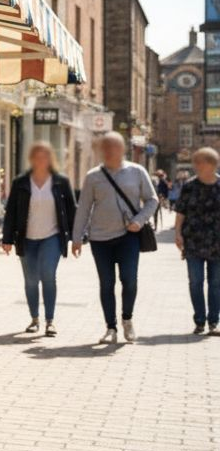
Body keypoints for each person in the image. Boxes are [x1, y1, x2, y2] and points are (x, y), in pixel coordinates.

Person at [72, 132, 159, 344]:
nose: (110, 151)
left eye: (114, 147)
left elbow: (152, 200)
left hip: (128, 236)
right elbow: (83, 208)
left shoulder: (137, 171)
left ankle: (127, 319)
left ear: (122, 149)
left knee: (129, 280)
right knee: (106, 283)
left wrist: (139, 220)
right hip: (99, 239)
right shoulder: (93, 176)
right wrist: (76, 238)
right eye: (106, 148)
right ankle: (110, 328)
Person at [0, 141, 78, 337]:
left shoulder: (60, 182)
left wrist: (78, 238)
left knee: (48, 275)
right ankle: (34, 319)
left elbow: (71, 211)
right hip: (26, 238)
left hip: (52, 237)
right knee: (31, 280)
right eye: (37, 156)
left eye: (45, 156)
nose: (41, 160)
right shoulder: (20, 183)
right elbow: (11, 212)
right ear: (31, 159)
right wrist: (7, 239)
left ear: (51, 159)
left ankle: (50, 321)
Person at [174, 147, 220, 335]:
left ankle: (214, 322)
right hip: (193, 241)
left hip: (218, 243)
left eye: (199, 163)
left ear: (211, 164)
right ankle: (200, 321)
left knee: (216, 283)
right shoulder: (189, 186)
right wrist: (178, 233)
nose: (195, 166)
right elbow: (181, 212)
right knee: (195, 282)